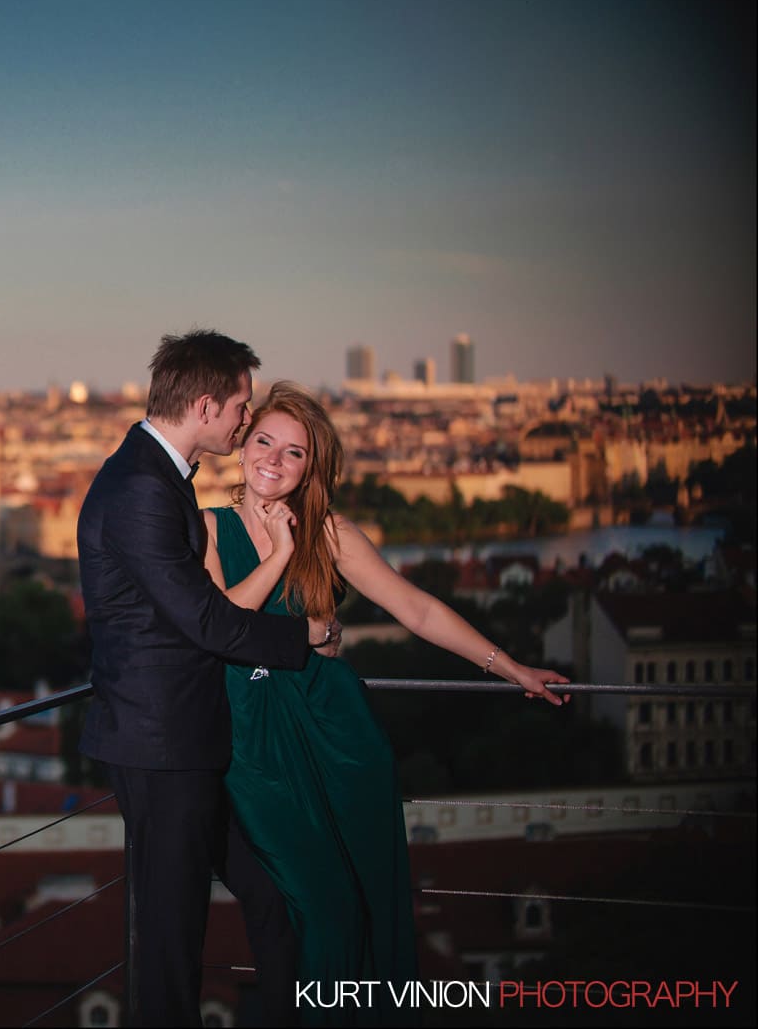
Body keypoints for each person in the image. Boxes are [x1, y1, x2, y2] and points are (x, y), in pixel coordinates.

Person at [201, 381, 570, 1025]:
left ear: (311, 469)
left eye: (294, 453)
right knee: (323, 904)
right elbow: (225, 624)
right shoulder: (208, 527)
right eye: (264, 441)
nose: (273, 460)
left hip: (337, 734)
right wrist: (282, 553)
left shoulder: (332, 533)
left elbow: (416, 609)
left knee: (367, 897)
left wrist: (508, 667)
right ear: (242, 447)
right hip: (255, 748)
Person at [78, 332, 341, 1028]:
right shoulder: (142, 487)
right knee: (171, 940)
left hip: (183, 739)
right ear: (203, 405)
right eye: (241, 408)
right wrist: (310, 635)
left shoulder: (155, 476)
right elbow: (210, 624)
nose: (245, 421)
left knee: (266, 899)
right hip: (162, 743)